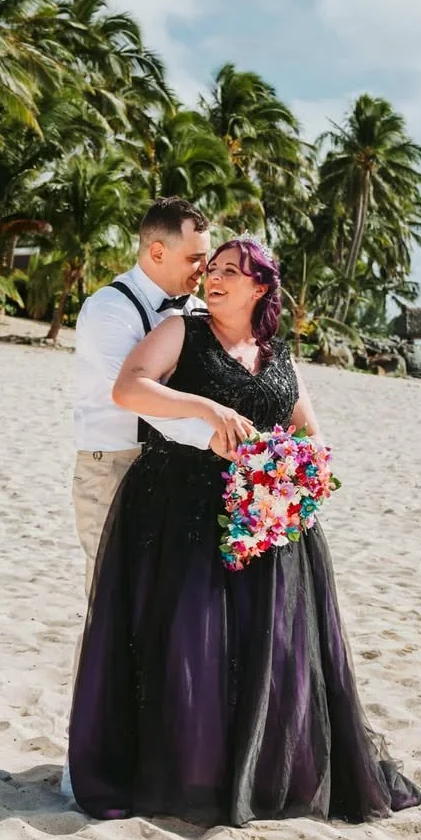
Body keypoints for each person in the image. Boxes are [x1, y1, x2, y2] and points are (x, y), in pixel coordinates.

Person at [67, 237, 421, 826]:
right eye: (213, 268)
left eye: (231, 271)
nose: (215, 278)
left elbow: (308, 432)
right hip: (178, 506)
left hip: (265, 515)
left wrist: (292, 476)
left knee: (266, 647)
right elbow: (128, 387)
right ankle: (190, 773)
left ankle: (258, 771)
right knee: (188, 643)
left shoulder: (279, 352)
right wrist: (205, 410)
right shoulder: (183, 331)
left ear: (260, 287)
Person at [61, 200, 254, 799]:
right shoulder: (108, 310)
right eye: (197, 258)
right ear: (156, 252)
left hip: (173, 476)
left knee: (164, 616)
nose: (205, 271)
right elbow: (142, 399)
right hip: (112, 468)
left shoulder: (193, 310)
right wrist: (219, 430)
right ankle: (88, 765)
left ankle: (156, 756)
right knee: (112, 612)